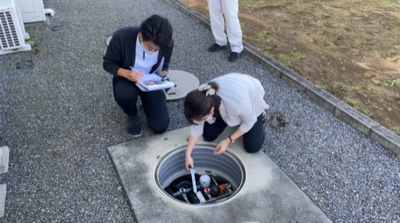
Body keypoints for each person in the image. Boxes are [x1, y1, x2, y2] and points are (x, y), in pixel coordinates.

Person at [103, 15, 174, 137]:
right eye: (149, 47)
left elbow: (165, 64)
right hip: (127, 77)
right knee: (124, 93)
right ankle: (132, 113)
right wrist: (127, 74)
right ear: (141, 34)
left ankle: (146, 104)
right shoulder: (122, 36)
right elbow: (108, 63)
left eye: (156, 50)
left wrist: (164, 74)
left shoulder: (167, 43)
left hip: (150, 80)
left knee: (160, 126)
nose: (153, 51)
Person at [183, 73, 269, 170]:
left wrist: (228, 140)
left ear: (211, 110)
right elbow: (196, 128)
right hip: (225, 101)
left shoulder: (237, 103)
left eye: (202, 118)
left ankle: (260, 115)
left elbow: (250, 121)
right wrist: (188, 154)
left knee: (252, 147)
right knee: (208, 136)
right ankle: (233, 119)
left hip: (250, 97)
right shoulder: (202, 98)